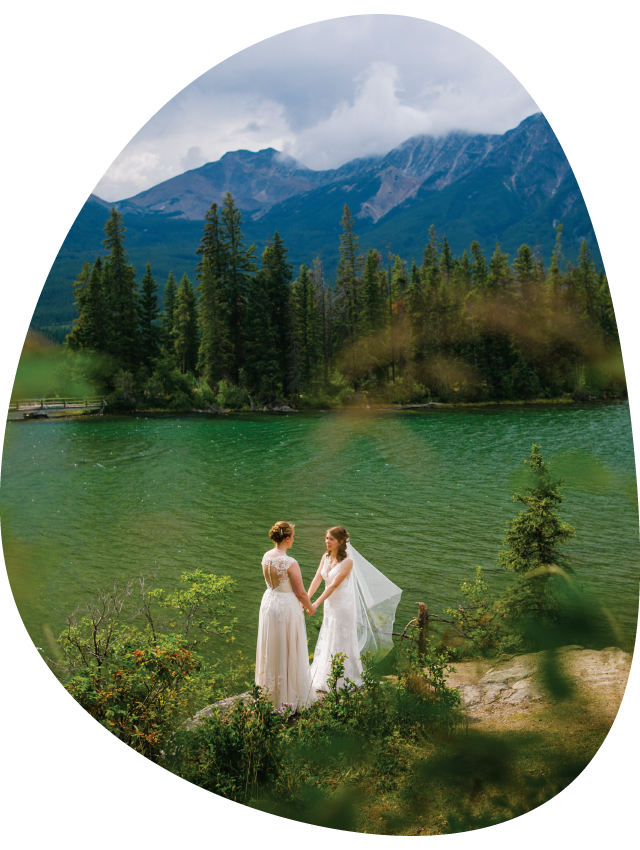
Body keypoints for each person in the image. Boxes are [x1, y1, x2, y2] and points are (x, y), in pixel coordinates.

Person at [307, 525, 403, 693]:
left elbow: (334, 586)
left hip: (342, 605)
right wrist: (306, 599)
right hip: (330, 605)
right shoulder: (325, 556)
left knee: (340, 638)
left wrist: (315, 604)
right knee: (329, 635)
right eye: (326, 538)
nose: (327, 541)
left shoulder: (348, 562)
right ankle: (325, 673)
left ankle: (341, 677)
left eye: (331, 539)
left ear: (341, 542)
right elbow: (317, 579)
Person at [255, 521, 317, 712]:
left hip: (269, 602)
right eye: (293, 538)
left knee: (271, 646)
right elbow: (301, 593)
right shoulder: (290, 562)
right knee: (288, 647)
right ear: (287, 538)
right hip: (286, 607)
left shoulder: (266, 556)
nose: (293, 541)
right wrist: (311, 607)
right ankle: (287, 699)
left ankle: (268, 694)